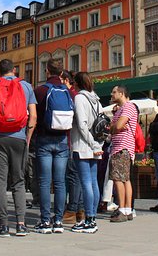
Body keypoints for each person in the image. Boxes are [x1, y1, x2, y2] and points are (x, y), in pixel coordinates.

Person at [0, 59, 37, 237]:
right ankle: (21, 224)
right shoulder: (27, 86)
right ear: (14, 70)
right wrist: (27, 138)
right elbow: (33, 117)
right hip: (20, 138)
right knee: (18, 181)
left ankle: (3, 224)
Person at [33, 58, 71, 234]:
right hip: (63, 139)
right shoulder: (67, 91)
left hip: (44, 139)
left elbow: (33, 115)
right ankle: (58, 221)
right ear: (62, 73)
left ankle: (45, 221)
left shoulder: (40, 91)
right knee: (60, 182)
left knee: (44, 181)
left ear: (47, 71)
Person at [69, 72, 103, 233]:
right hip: (95, 145)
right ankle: (92, 217)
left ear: (77, 83)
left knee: (86, 183)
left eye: (73, 82)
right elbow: (102, 124)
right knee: (93, 182)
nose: (72, 85)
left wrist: (91, 143)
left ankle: (89, 219)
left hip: (83, 145)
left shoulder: (80, 98)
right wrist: (97, 144)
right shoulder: (96, 99)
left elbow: (82, 125)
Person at [108, 85, 138, 223]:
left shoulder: (128, 107)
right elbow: (113, 128)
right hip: (121, 147)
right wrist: (115, 127)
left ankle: (122, 209)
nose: (112, 94)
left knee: (118, 179)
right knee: (125, 179)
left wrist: (115, 127)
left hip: (122, 147)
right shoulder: (120, 110)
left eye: (114, 92)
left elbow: (117, 127)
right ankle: (127, 209)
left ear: (121, 93)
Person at [61, 70, 83, 226]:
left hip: (70, 139)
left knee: (72, 176)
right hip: (79, 141)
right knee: (78, 176)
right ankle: (80, 210)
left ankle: (72, 211)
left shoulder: (70, 95)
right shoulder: (83, 96)